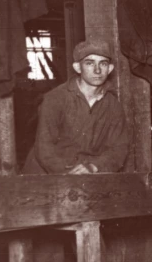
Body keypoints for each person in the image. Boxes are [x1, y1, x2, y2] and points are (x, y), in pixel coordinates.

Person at [22, 39, 130, 175]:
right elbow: (44, 148)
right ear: (78, 67)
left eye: (103, 63)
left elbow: (119, 149)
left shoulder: (113, 105)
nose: (97, 70)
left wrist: (95, 166)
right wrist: (68, 173)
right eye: (89, 63)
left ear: (110, 69)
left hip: (87, 173)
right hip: (46, 174)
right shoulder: (56, 98)